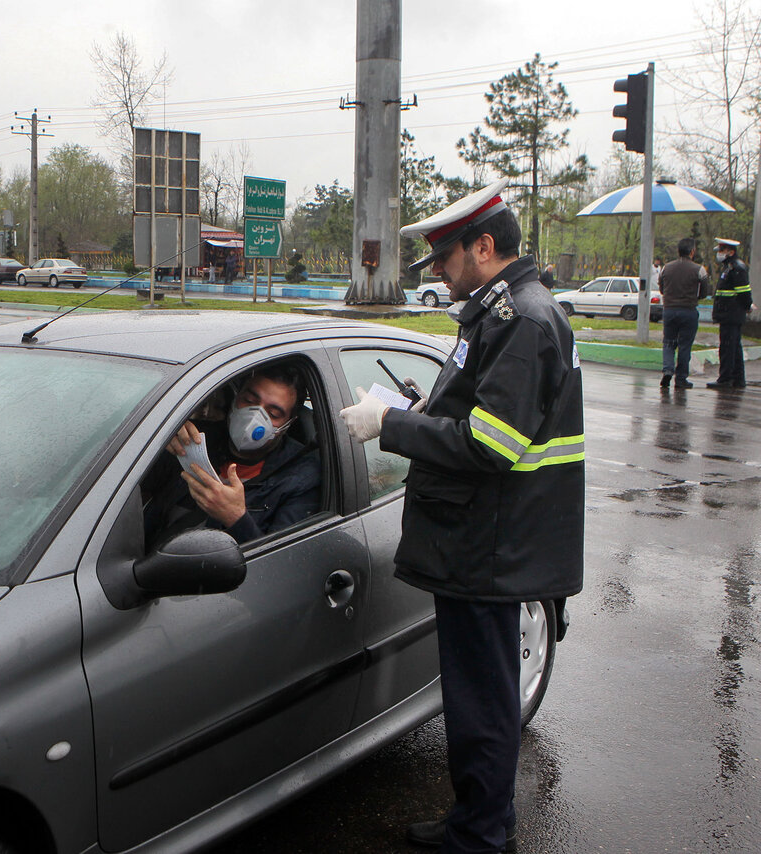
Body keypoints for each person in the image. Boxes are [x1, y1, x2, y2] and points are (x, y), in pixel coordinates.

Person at [339, 178, 585, 854]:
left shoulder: (522, 320)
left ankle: (481, 835)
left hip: (490, 543)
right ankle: (475, 818)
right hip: (484, 538)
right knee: (477, 697)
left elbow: (490, 444)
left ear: (484, 246)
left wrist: (391, 425)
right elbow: (480, 418)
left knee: (483, 702)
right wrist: (421, 411)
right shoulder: (504, 313)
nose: (440, 274)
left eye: (446, 259)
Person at [147, 363, 320, 544]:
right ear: (235, 399)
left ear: (287, 425)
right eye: (249, 401)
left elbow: (280, 560)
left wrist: (236, 518)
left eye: (273, 413)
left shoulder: (302, 478)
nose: (254, 416)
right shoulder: (196, 438)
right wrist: (162, 438)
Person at [658, 238, 709, 389]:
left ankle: (667, 370)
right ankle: (681, 379)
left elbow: (662, 289)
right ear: (692, 252)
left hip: (669, 310)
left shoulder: (666, 268)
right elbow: (704, 292)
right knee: (685, 345)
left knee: (668, 343)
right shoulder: (699, 269)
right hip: (688, 311)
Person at [707, 237, 753, 390]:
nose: (719, 253)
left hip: (731, 315)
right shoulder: (728, 267)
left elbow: (744, 293)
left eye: (722, 250)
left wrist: (748, 306)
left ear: (731, 252)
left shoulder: (736, 268)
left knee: (728, 348)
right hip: (728, 314)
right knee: (734, 348)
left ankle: (725, 379)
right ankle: (737, 379)